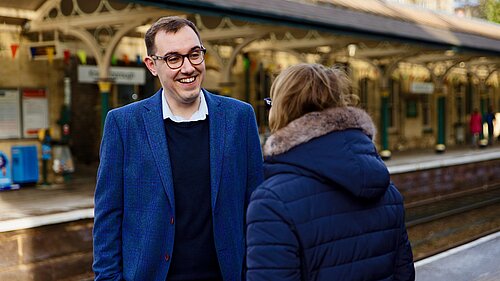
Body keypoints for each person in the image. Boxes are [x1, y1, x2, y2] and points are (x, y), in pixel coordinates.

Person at [93, 16, 264, 281]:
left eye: (194, 54)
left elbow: (256, 206)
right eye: (173, 58)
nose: (188, 67)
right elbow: (108, 215)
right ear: (152, 65)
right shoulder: (123, 124)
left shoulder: (240, 117)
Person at [246, 63, 415, 280]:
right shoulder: (387, 191)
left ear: (282, 109)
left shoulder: (272, 202)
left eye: (271, 104)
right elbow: (404, 275)